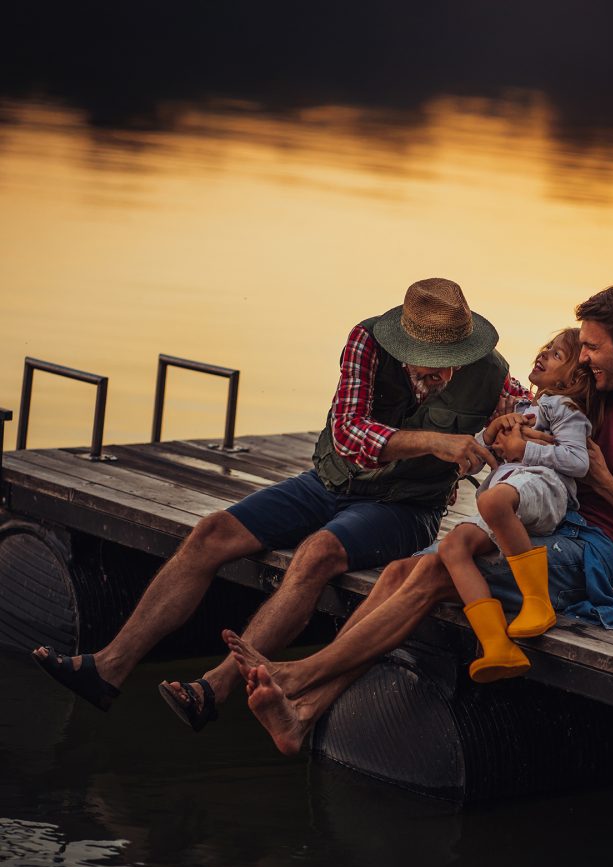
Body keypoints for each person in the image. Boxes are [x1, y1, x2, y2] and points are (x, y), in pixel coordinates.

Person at [224, 283, 613, 756]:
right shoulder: (592, 395)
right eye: (580, 348)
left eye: (591, 347)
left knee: (437, 571)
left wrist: (606, 482)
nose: (582, 357)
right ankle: (303, 715)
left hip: (604, 553)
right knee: (402, 571)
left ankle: (298, 677)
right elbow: (536, 413)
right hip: (550, 523)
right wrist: (506, 429)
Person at [31, 277, 527, 726]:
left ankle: (212, 689)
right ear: (404, 342)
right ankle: (109, 667)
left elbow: (529, 409)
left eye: (450, 361)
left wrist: (522, 423)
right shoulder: (366, 341)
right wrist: (436, 442)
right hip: (328, 481)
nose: (439, 373)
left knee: (317, 553)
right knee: (211, 532)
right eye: (429, 362)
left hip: (404, 510)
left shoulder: (491, 373)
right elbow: (349, 432)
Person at [439, 326, 598, 683]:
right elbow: (476, 454)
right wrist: (493, 430)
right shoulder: (523, 406)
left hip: (544, 487)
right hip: (510, 493)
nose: (542, 354)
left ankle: (537, 602)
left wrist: (523, 449)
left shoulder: (565, 408)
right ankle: (498, 646)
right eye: (546, 348)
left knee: (494, 502)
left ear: (574, 378)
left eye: (556, 355)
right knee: (453, 547)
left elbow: (578, 462)